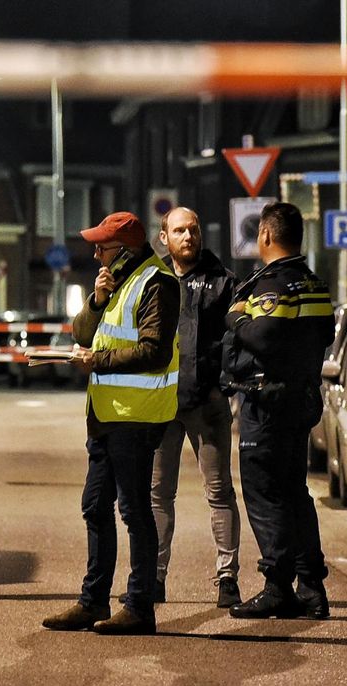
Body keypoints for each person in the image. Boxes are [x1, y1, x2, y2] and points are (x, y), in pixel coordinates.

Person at [42, 211, 181, 636]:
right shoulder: (114, 283)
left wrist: (96, 361)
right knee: (94, 505)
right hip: (106, 415)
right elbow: (83, 333)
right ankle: (92, 601)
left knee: (134, 510)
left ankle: (139, 606)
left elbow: (154, 351)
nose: (96, 253)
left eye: (102, 247)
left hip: (136, 416)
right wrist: (97, 300)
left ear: (126, 251)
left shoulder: (158, 283)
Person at [222, 202, 334, 620]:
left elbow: (263, 337)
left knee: (266, 494)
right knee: (294, 493)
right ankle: (311, 588)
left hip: (267, 402)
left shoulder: (271, 286)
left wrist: (235, 318)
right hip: (301, 398)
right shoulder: (314, 284)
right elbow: (325, 334)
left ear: (266, 236)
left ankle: (277, 586)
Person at [148, 207, 242, 609]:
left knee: (219, 491)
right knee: (157, 494)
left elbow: (235, 342)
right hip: (162, 403)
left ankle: (227, 579)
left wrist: (223, 388)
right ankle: (154, 578)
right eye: (179, 230)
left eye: (194, 229)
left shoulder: (223, 283)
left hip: (207, 403)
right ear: (164, 238)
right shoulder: (155, 280)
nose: (188, 236)